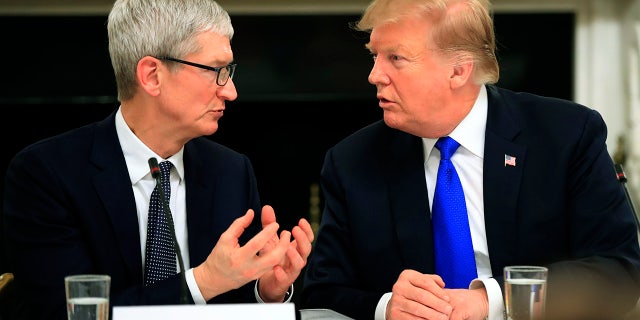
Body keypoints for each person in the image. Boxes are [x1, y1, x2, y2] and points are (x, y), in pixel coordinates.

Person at [300, 0, 640, 319]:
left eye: (396, 58)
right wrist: (387, 306)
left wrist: (489, 300)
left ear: (459, 71)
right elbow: (321, 291)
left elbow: (619, 271)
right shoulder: (353, 161)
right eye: (374, 56)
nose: (374, 75)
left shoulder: (565, 136)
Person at [1, 0, 314, 319]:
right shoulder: (46, 174)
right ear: (152, 76)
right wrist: (203, 281)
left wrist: (266, 291)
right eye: (216, 71)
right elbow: (64, 313)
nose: (230, 91)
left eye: (229, 71)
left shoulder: (231, 171)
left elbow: (235, 302)